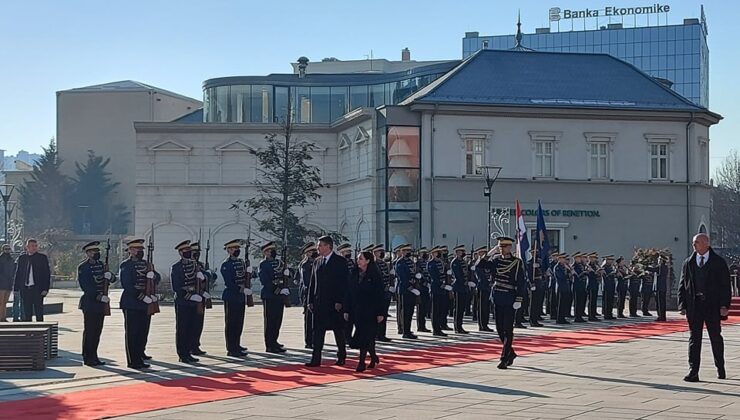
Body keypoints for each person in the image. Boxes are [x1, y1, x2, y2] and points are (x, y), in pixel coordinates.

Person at [678, 233, 731, 382]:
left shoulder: (718, 262)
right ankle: (693, 371)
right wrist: (682, 304)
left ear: (707, 243)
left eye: (698, 243)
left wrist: (724, 305)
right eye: (694, 243)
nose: (694, 246)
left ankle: (720, 367)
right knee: (694, 338)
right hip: (695, 306)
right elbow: (683, 284)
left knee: (715, 337)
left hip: (712, 306)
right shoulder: (688, 262)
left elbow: (725, 286)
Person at [479, 237, 526, 369]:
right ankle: (511, 353)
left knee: (508, 329)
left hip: (510, 297)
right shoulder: (495, 260)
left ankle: (504, 358)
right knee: (499, 328)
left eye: (503, 246)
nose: (501, 248)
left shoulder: (516, 262)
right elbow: (479, 265)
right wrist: (489, 253)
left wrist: (519, 298)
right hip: (497, 296)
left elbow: (521, 282)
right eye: (500, 246)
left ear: (510, 247)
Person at [305, 235, 348, 367]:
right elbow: (312, 283)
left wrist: (340, 301)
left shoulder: (340, 261)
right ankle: (316, 358)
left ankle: (341, 355)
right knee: (317, 331)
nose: (318, 248)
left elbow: (344, 283)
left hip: (334, 304)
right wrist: (310, 300)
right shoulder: (317, 261)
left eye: (320, 245)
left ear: (329, 246)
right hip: (319, 303)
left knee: (338, 331)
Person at [119, 238, 161, 370]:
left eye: (141, 249)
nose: (140, 251)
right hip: (132, 302)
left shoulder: (146, 264)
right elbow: (127, 285)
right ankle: (133, 360)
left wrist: (153, 276)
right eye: (137, 249)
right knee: (132, 332)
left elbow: (157, 278)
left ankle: (140, 354)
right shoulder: (126, 265)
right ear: (130, 251)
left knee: (143, 331)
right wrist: (142, 297)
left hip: (144, 303)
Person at [344, 250, 384, 372]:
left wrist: (380, 312)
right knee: (367, 337)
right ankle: (373, 356)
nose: (358, 261)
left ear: (367, 261)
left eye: (361, 258)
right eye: (358, 258)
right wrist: (346, 309)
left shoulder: (375, 275)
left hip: (370, 311)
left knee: (364, 335)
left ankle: (361, 362)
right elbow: (348, 293)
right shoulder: (354, 273)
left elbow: (380, 295)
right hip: (356, 310)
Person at [77, 241, 115, 366]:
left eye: (97, 251)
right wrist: (99, 297)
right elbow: (86, 287)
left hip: (100, 304)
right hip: (90, 303)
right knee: (90, 331)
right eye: (93, 252)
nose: (96, 253)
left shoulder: (102, 265)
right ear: (88, 253)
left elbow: (113, 279)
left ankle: (94, 355)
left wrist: (111, 276)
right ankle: (88, 356)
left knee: (98, 330)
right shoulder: (83, 267)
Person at [170, 240, 203, 364]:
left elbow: (199, 283)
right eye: (185, 251)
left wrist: (203, 278)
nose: (188, 252)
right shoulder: (176, 267)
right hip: (183, 301)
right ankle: (182, 354)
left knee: (192, 327)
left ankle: (189, 352)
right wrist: (190, 296)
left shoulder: (195, 266)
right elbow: (177, 288)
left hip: (194, 301)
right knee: (182, 328)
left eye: (189, 250)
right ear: (180, 253)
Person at [221, 239, 253, 357]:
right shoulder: (226, 265)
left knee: (239, 323)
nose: (237, 250)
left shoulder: (241, 262)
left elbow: (246, 277)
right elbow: (229, 282)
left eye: (238, 248)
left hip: (240, 297)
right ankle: (231, 348)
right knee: (231, 323)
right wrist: (241, 289)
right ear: (229, 250)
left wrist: (250, 272)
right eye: (234, 249)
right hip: (231, 296)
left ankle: (237, 344)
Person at [259, 241, 289, 354]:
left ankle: (275, 341)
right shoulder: (263, 264)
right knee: (270, 321)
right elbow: (265, 281)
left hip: (279, 296)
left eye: (271, 250)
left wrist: (287, 273)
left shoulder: (279, 263)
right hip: (269, 295)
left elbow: (283, 276)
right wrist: (278, 290)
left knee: (278, 320)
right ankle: (269, 344)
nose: (270, 253)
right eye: (267, 251)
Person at [14, 239, 51, 322]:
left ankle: (40, 332)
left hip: (37, 289)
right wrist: (16, 288)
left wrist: (45, 288)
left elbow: (46, 274)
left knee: (39, 312)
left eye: (35, 246)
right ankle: (29, 332)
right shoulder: (22, 258)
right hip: (26, 289)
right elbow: (18, 274)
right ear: (27, 247)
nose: (34, 248)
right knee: (27, 313)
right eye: (32, 246)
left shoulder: (42, 258)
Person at [190, 241, 215, 356]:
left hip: (201, 298)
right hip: (192, 298)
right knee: (191, 324)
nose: (197, 254)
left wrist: (209, 274)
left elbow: (208, 278)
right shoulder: (189, 265)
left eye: (198, 252)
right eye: (195, 252)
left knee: (199, 323)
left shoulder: (201, 265)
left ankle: (196, 345)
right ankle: (190, 346)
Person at [395, 244, 420, 339]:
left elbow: (412, 274)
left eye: (408, 251)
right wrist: (410, 287)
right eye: (405, 251)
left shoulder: (410, 262)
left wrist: (416, 279)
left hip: (412, 289)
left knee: (410, 311)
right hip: (405, 289)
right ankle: (405, 331)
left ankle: (408, 330)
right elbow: (402, 277)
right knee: (405, 311)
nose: (407, 252)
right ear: (401, 252)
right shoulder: (400, 262)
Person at [337, 243, 358, 347]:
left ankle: (349, 336)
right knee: (344, 316)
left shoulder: (352, 263)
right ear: (341, 253)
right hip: (343, 293)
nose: (349, 253)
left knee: (351, 316)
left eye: (349, 252)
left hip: (352, 293)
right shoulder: (339, 263)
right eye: (347, 252)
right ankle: (345, 337)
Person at [298, 242, 318, 349]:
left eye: (315, 251)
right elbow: (307, 282)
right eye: (312, 252)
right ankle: (309, 341)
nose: (314, 253)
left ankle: (316, 339)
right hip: (308, 294)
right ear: (307, 253)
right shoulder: (305, 264)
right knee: (309, 319)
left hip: (317, 294)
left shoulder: (318, 262)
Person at [373, 244, 394, 342]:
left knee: (384, 314)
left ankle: (382, 334)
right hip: (378, 293)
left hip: (386, 292)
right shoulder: (374, 264)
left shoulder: (385, 264)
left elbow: (388, 277)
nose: (382, 253)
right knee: (377, 314)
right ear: (375, 253)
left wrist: (390, 286)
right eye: (380, 252)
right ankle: (376, 334)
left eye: (382, 251)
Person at [450, 245, 471, 334]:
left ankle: (460, 326)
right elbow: (458, 275)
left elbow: (466, 272)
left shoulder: (463, 261)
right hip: (458, 286)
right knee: (458, 307)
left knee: (462, 307)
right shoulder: (455, 262)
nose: (463, 253)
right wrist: (464, 282)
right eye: (461, 251)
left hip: (463, 287)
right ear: (457, 252)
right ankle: (457, 327)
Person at [473, 246, 493, 331]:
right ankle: (482, 325)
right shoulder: (478, 263)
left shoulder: (487, 263)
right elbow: (481, 276)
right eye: (483, 253)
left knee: (486, 307)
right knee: (482, 307)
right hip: (482, 287)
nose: (485, 255)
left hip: (488, 287)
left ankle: (485, 324)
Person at [416, 247, 432, 333]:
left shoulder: (427, 262)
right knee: (421, 308)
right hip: (421, 287)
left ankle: (423, 325)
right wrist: (423, 282)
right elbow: (418, 275)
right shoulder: (418, 263)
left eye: (426, 252)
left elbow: (428, 274)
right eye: (423, 253)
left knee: (425, 307)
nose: (425, 254)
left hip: (426, 287)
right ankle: (420, 326)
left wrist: (429, 282)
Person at [572, 253, 588, 323]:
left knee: (581, 301)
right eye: (578, 258)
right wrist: (583, 273)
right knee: (577, 302)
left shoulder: (581, 265)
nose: (580, 259)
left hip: (582, 285)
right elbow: (576, 276)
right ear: (575, 259)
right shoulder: (574, 266)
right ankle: (577, 317)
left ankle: (580, 315)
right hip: (577, 286)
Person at [0, 244, 15, 322]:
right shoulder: (0, 259)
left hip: (9, 283)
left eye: (9, 249)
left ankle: (3, 317)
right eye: (6, 249)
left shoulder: (12, 259)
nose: (7, 250)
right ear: (3, 249)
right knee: (1, 302)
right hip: (1, 283)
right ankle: (1, 317)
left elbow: (13, 271)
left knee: (5, 302)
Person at [653, 254, 670, 321]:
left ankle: (661, 316)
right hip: (661, 287)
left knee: (660, 303)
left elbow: (654, 269)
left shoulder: (661, 267)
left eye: (659, 259)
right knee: (661, 302)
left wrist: (645, 267)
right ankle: (662, 316)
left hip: (660, 287)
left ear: (662, 261)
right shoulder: (663, 267)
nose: (658, 260)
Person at [586, 253, 602, 321]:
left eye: (595, 258)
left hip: (595, 284)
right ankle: (591, 316)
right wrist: (595, 273)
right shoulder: (588, 266)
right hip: (590, 284)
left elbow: (598, 274)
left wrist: (599, 273)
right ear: (589, 258)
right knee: (591, 300)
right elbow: (589, 275)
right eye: (592, 258)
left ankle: (593, 314)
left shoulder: (595, 265)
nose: (594, 259)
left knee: (594, 300)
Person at [601, 255, 616, 320]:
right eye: (610, 260)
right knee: (607, 300)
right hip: (607, 285)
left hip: (611, 284)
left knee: (611, 300)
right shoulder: (604, 267)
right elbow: (605, 276)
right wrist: (611, 274)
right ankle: (607, 314)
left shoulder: (611, 267)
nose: (611, 261)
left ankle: (610, 313)